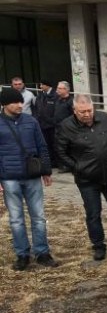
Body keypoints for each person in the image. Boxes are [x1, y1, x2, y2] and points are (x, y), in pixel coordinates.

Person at [56, 94, 107, 262]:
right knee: (93, 214)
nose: (86, 114)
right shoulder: (66, 126)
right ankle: (99, 247)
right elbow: (61, 152)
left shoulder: (105, 118)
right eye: (82, 112)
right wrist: (77, 167)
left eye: (89, 110)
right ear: (74, 110)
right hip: (87, 180)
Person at [0, 86, 58, 270]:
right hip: (9, 178)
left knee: (39, 216)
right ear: (4, 104)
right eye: (15, 102)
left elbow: (42, 146)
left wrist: (46, 170)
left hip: (32, 176)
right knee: (16, 219)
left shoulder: (31, 121)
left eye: (20, 101)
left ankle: (42, 252)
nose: (20, 104)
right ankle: (22, 254)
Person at [33, 78, 58, 167]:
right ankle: (51, 161)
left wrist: (53, 121)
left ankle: (56, 162)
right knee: (46, 144)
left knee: (54, 144)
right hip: (42, 124)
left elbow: (57, 110)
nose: (40, 86)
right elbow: (36, 108)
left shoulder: (55, 95)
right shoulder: (40, 95)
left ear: (47, 85)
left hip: (52, 125)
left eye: (42, 85)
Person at [52, 81, 74, 171]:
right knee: (59, 147)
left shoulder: (71, 101)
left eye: (60, 88)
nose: (57, 90)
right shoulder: (57, 100)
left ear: (66, 89)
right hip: (58, 128)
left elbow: (73, 115)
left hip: (68, 129)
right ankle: (63, 165)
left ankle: (70, 165)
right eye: (57, 88)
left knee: (68, 147)